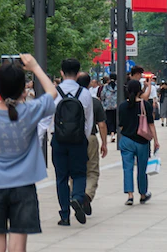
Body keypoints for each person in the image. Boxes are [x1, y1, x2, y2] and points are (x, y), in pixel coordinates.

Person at [0, 55, 56, 250]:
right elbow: (52, 92)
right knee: (18, 245)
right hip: (24, 185)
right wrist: (35, 67)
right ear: (23, 87)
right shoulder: (31, 110)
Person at [52, 58, 93, 226]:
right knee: (79, 173)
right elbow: (89, 121)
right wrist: (84, 137)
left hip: (59, 139)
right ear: (78, 73)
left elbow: (48, 119)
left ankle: (64, 215)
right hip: (78, 140)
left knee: (61, 177)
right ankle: (76, 197)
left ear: (61, 72)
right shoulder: (84, 93)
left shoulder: (54, 92)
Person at [117, 79, 158, 205]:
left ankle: (130, 195)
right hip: (142, 141)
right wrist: (156, 140)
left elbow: (121, 126)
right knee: (142, 168)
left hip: (126, 140)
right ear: (140, 90)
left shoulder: (123, 106)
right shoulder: (145, 105)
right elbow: (151, 124)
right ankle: (143, 193)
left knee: (127, 168)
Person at [78, 73, 108, 214]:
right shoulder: (94, 101)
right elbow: (101, 124)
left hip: (73, 140)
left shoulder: (69, 99)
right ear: (89, 84)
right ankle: (87, 195)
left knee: (76, 170)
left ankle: (76, 196)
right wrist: (104, 143)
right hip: (90, 137)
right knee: (92, 170)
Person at [101, 73, 118, 142]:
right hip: (116, 106)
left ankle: (112, 133)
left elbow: (102, 96)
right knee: (115, 120)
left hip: (108, 106)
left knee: (109, 120)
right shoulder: (118, 86)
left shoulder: (106, 87)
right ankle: (114, 132)